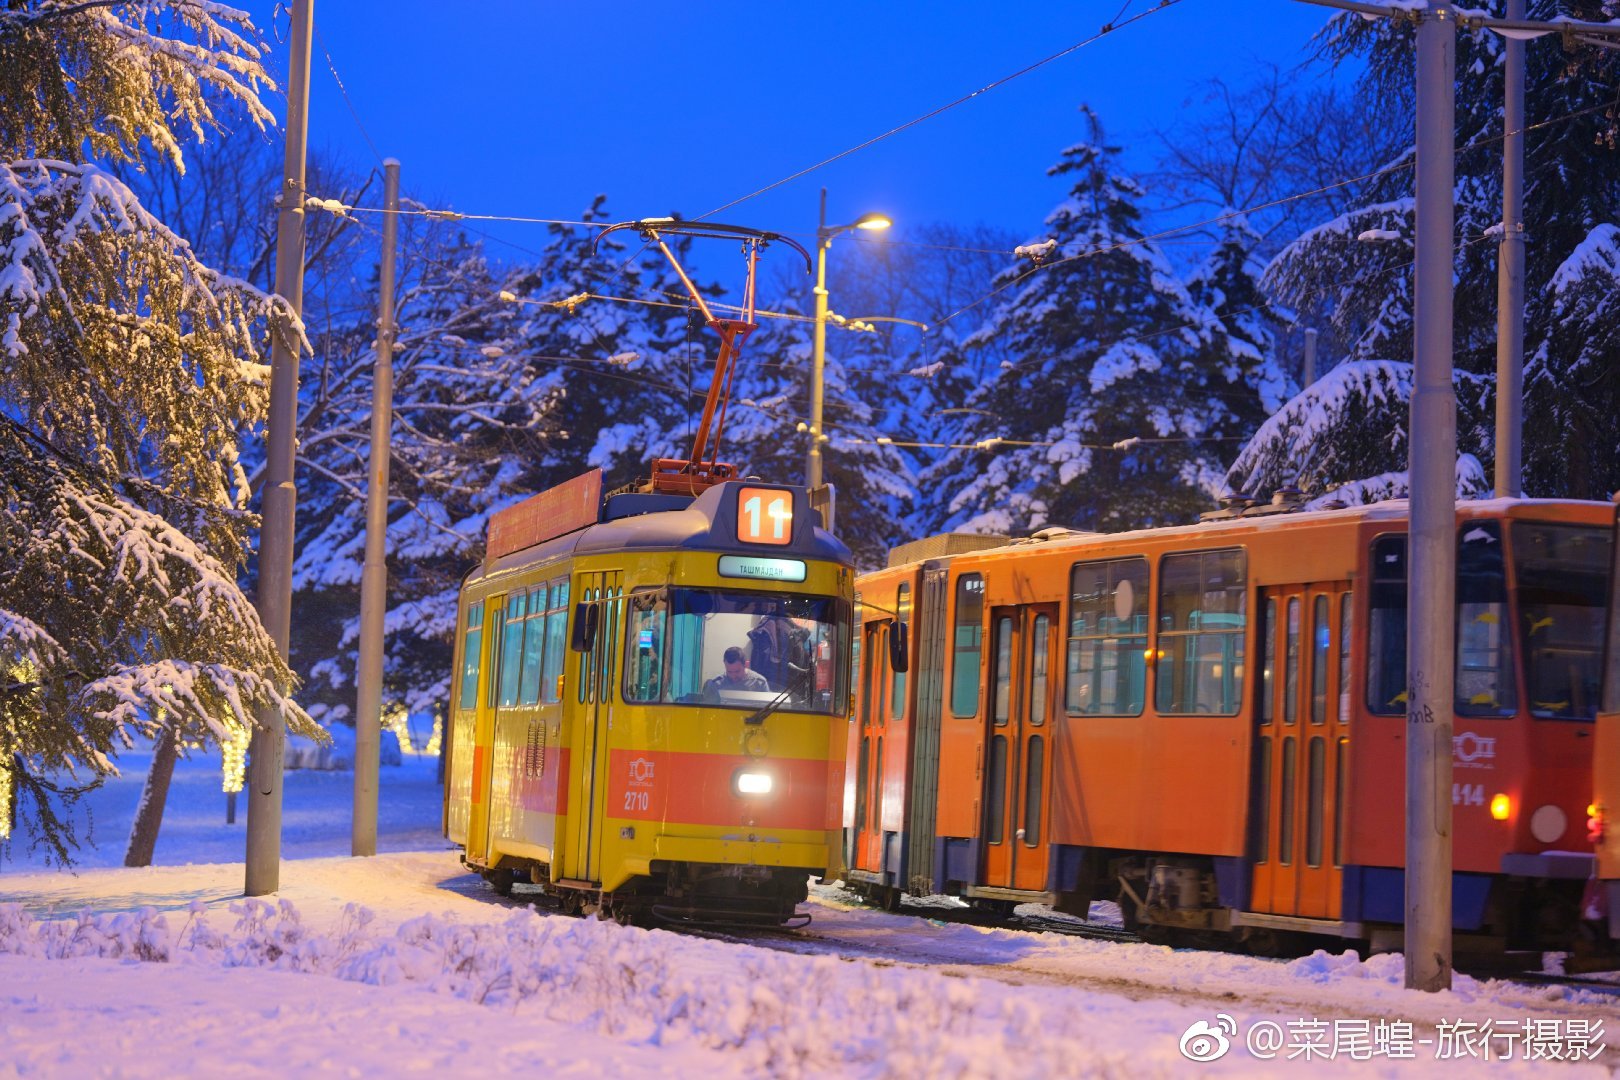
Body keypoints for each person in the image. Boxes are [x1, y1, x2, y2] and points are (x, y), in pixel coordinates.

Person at [747, 614, 811, 692]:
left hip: (777, 688)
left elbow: (756, 668)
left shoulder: (762, 632)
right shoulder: (762, 633)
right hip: (782, 689)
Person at [702, 645, 770, 702]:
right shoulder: (716, 684)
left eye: (737, 671)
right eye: (729, 671)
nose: (733, 676)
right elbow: (708, 711)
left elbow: (767, 709)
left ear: (746, 665)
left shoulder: (759, 683)